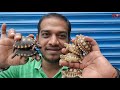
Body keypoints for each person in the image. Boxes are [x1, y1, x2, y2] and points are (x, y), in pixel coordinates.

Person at [0, 13, 119, 78]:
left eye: (61, 36)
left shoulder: (86, 71)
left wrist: (114, 76)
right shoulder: (16, 68)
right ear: (37, 39)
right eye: (46, 34)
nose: (53, 42)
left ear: (69, 40)